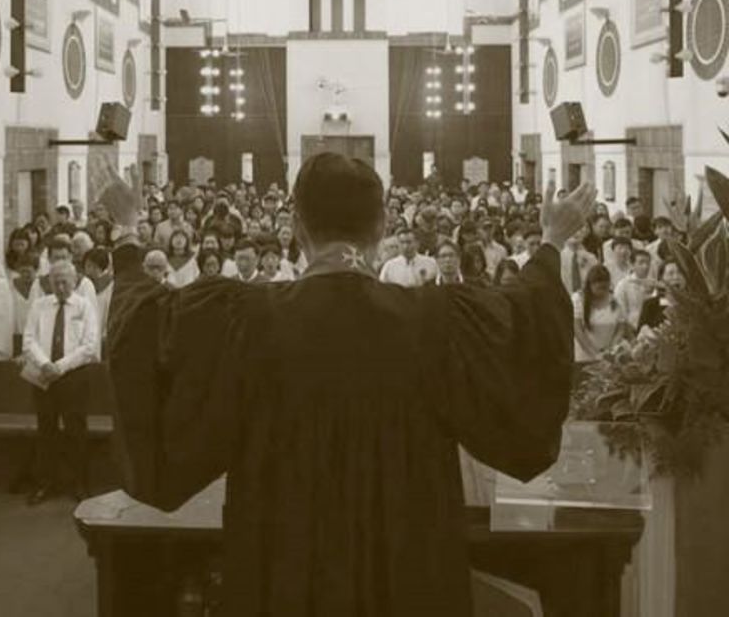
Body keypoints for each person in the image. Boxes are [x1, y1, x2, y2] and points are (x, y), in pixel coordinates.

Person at [105, 153, 595, 616]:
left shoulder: (247, 319)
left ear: (296, 230)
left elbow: (149, 329)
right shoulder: (434, 321)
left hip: (284, 562)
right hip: (407, 563)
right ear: (382, 228)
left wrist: (126, 231)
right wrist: (551, 242)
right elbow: (525, 319)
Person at [22, 261, 99, 505]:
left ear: (75, 282)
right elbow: (29, 340)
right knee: (46, 430)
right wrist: (45, 364)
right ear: (50, 282)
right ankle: (45, 483)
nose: (61, 286)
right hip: (44, 375)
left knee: (76, 430)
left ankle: (80, 483)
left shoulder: (85, 306)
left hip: (74, 376)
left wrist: (60, 367)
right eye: (56, 282)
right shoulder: (40, 305)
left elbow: (89, 345)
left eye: (65, 281)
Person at [572, 265, 631, 363]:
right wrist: (594, 354)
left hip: (607, 357)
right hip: (584, 357)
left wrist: (611, 349)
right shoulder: (578, 299)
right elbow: (578, 330)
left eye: (605, 288)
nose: (603, 292)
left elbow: (620, 328)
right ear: (590, 285)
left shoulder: (615, 301)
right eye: (599, 288)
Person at [637, 259, 687, 331]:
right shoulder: (650, 305)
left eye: (680, 272)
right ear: (661, 281)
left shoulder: (695, 304)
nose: (676, 277)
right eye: (671, 273)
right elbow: (639, 335)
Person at [614, 249, 656, 331]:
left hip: (653, 326)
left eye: (648, 263)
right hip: (632, 328)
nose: (645, 266)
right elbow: (620, 312)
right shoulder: (623, 285)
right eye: (641, 263)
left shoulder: (654, 283)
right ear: (632, 265)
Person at [82, 247, 114, 335]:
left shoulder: (110, 286)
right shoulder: (83, 285)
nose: (90, 270)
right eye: (88, 266)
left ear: (102, 268)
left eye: (94, 267)